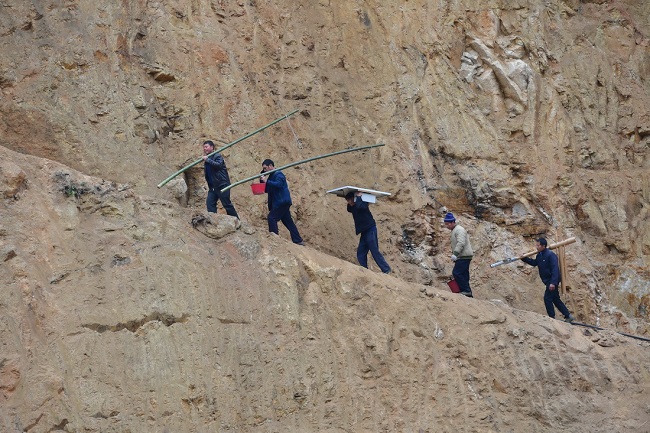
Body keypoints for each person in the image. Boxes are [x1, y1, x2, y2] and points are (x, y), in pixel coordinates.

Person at [521, 238, 575, 322]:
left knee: (547, 298)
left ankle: (551, 318)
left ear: (543, 246)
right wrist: (524, 258)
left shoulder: (550, 255)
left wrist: (553, 283)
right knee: (555, 299)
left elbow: (555, 269)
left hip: (552, 280)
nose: (536, 247)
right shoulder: (539, 255)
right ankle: (568, 315)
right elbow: (534, 263)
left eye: (538, 245)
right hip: (547, 281)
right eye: (536, 245)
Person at [260, 159, 304, 245]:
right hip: (281, 202)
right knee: (288, 222)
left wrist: (267, 181)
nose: (265, 170)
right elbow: (267, 189)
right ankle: (298, 240)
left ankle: (274, 239)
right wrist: (262, 181)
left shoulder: (278, 174)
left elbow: (279, 185)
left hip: (281, 202)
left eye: (265, 168)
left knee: (271, 218)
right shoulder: (272, 176)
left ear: (270, 166)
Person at [345, 191, 391, 274]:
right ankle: (365, 271)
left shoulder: (363, 204)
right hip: (364, 232)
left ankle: (386, 269)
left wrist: (359, 197)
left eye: (351, 200)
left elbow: (360, 207)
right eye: (348, 200)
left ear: (354, 199)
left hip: (370, 229)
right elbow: (348, 209)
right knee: (361, 253)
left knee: (374, 250)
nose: (349, 202)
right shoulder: (352, 207)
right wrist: (352, 199)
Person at [201, 140, 239, 219]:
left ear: (212, 147)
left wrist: (207, 160)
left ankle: (236, 220)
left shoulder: (217, 156)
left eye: (206, 147)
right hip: (213, 187)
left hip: (222, 185)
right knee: (210, 203)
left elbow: (218, 165)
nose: (204, 149)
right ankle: (213, 220)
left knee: (226, 204)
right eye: (204, 147)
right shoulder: (207, 159)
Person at [443, 212, 473, 297]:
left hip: (464, 256)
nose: (447, 226)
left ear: (452, 222)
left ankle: (466, 291)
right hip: (464, 255)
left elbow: (461, 243)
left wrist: (455, 254)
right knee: (464, 274)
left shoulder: (459, 230)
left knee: (457, 273)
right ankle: (467, 292)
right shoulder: (455, 230)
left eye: (447, 224)